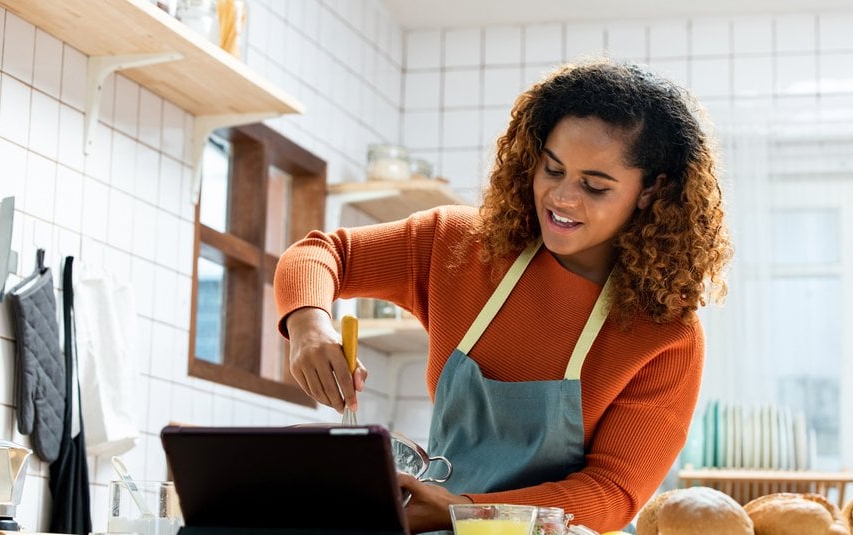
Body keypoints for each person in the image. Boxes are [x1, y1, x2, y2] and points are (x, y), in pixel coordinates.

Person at [274, 58, 732, 533]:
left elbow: (612, 492)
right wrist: (308, 324)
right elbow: (321, 254)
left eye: (595, 186)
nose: (563, 198)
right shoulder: (459, 245)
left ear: (651, 190)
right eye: (552, 170)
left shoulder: (666, 335)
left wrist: (463, 511)